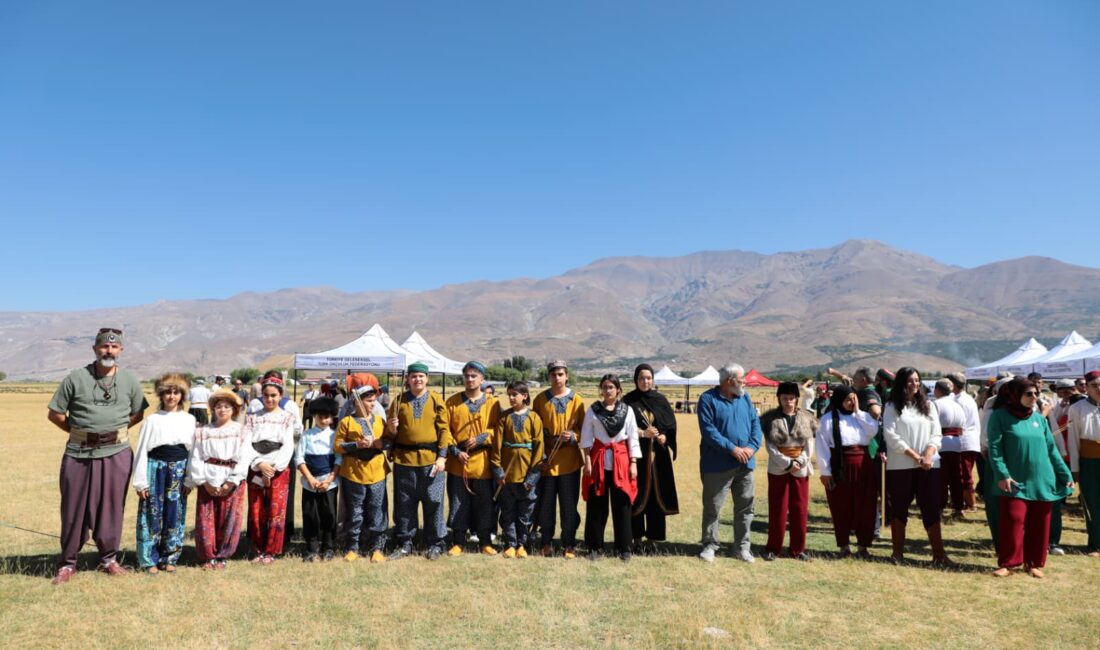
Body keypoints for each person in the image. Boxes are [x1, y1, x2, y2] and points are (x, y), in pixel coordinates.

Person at [46, 327, 149, 584]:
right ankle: (68, 563)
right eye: (104, 346)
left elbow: (138, 413)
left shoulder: (129, 381)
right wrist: (79, 432)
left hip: (116, 453)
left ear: (121, 351)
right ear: (95, 349)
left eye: (114, 347)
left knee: (111, 507)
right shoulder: (75, 378)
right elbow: (55, 414)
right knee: (73, 508)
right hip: (79, 453)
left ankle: (109, 559)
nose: (109, 350)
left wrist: (116, 432)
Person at [987, 378, 1073, 578]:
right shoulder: (999, 416)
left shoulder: (1040, 419)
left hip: (1042, 480)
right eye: (1029, 394)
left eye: (1036, 393)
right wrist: (1002, 474)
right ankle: (1008, 563)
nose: (1034, 397)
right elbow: (995, 450)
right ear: (1015, 395)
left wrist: (1065, 474)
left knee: (1040, 523)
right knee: (1013, 520)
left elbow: (1052, 451)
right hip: (1013, 480)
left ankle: (1034, 563)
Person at [131, 373, 197, 573]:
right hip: (155, 468)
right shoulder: (152, 420)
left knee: (174, 515)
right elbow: (142, 450)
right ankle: (149, 559)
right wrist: (140, 482)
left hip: (179, 468)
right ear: (161, 395)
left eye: (176, 392)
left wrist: (189, 479)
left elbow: (193, 451)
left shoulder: (189, 419)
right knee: (152, 513)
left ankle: (170, 557)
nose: (172, 396)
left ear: (182, 395)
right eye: (168, 392)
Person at [882, 368, 948, 565]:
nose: (915, 384)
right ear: (902, 383)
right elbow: (891, 436)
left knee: (931, 508)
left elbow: (936, 434)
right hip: (900, 466)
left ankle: (939, 554)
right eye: (910, 381)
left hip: (928, 465)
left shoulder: (929, 405)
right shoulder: (892, 406)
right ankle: (897, 553)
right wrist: (915, 456)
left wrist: (927, 455)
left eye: (917, 381)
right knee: (899, 508)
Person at [697, 364, 761, 563]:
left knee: (745, 508)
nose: (744, 382)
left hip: (745, 464)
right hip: (717, 465)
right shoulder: (707, 399)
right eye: (741, 378)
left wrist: (751, 447)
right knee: (713, 507)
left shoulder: (745, 398)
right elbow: (709, 431)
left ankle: (742, 547)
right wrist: (732, 449)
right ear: (729, 381)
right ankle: (710, 545)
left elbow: (755, 425)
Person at [387, 362, 451, 560]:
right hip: (405, 461)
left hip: (431, 460)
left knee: (434, 501)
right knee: (405, 503)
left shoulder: (436, 400)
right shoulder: (399, 401)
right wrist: (392, 427)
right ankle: (405, 543)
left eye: (421, 376)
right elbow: (391, 434)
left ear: (427, 378)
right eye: (413, 376)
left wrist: (442, 457)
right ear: (408, 379)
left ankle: (435, 543)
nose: (417, 380)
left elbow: (444, 430)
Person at [187, 389, 252, 570]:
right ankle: (208, 556)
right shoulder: (203, 431)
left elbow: (244, 457)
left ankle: (223, 555)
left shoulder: (241, 431)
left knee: (229, 517)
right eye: (218, 406)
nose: (222, 410)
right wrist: (204, 482)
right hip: (208, 476)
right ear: (213, 409)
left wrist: (231, 481)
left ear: (234, 410)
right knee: (206, 517)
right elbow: (196, 457)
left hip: (231, 477)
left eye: (226, 406)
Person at [581, 374, 641, 561]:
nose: (608, 391)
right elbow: (585, 438)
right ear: (601, 389)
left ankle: (624, 547)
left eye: (611, 387)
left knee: (622, 504)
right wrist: (588, 461)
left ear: (618, 390)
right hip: (599, 460)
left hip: (621, 460)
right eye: (605, 387)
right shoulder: (593, 410)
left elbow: (633, 437)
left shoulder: (627, 410)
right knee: (596, 504)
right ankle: (594, 547)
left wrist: (633, 463)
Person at [815, 385, 879, 559]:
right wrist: (825, 471)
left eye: (854, 398)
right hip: (840, 466)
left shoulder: (863, 417)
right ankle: (844, 545)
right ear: (839, 400)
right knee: (841, 505)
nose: (851, 402)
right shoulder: (827, 420)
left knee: (865, 505)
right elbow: (822, 447)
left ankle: (863, 545)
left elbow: (873, 431)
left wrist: (859, 411)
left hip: (864, 465)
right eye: (848, 399)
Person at [444, 361, 501, 556]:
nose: (470, 379)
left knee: (484, 503)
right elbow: (445, 430)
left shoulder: (493, 403)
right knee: (458, 502)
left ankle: (485, 541)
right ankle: (458, 541)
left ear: (482, 379)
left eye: (474, 376)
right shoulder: (452, 402)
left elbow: (498, 429)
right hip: (458, 461)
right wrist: (455, 451)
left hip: (483, 461)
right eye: (467, 376)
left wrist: (481, 438)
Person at [532, 360, 586, 558]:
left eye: (561, 374)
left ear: (567, 376)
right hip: (547, 462)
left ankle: (569, 543)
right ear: (548, 377)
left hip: (570, 462)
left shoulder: (577, 400)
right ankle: (545, 541)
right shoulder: (540, 400)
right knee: (546, 505)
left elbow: (584, 430)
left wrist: (573, 436)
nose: (557, 378)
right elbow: (534, 431)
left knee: (569, 506)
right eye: (553, 374)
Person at [622, 364, 679, 554]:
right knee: (636, 496)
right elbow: (622, 428)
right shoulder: (628, 401)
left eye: (648, 378)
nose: (645, 381)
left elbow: (670, 425)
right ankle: (636, 539)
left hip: (658, 459)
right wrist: (642, 433)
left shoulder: (660, 400)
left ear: (653, 380)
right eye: (641, 378)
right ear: (635, 380)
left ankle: (653, 540)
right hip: (636, 458)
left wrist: (665, 437)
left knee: (656, 497)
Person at [245, 375, 302, 564]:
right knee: (256, 508)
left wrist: (273, 468)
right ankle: (257, 548)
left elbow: (287, 445)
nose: (269, 399)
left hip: (279, 468)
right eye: (266, 395)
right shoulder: (253, 418)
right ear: (261, 396)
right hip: (256, 466)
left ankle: (271, 550)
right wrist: (259, 464)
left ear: (280, 395)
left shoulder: (287, 418)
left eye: (273, 395)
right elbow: (246, 444)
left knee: (276, 510)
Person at [760, 381, 816, 561]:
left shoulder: (806, 417)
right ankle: (773, 548)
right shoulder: (770, 419)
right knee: (778, 508)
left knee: (799, 509)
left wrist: (800, 461)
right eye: (785, 398)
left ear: (797, 399)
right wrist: (786, 463)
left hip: (800, 468)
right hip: (778, 468)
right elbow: (770, 446)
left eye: (792, 398)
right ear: (779, 398)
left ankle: (798, 549)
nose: (788, 402)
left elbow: (809, 445)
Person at [335, 385, 390, 563]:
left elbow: (389, 443)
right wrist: (356, 445)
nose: (373, 404)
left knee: (376, 510)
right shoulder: (346, 422)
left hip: (376, 471)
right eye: (368, 401)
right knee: (355, 511)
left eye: (374, 400)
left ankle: (377, 548)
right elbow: (337, 446)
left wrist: (382, 443)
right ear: (357, 402)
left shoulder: (380, 422)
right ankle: (353, 547)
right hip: (353, 471)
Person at [492, 381, 544, 558]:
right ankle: (510, 544)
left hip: (527, 476)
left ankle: (522, 544)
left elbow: (539, 449)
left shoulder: (534, 418)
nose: (511, 398)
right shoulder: (503, 417)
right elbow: (496, 447)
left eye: (515, 394)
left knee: (525, 513)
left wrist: (533, 477)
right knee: (508, 511)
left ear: (525, 396)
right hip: (507, 475)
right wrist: (498, 471)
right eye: (509, 394)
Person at [295, 396, 340, 562]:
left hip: (329, 482)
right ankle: (312, 546)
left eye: (327, 417)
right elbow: (299, 459)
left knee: (329, 514)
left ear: (332, 418)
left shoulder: (335, 436)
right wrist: (310, 479)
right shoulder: (306, 435)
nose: (323, 420)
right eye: (320, 416)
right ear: (314, 416)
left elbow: (338, 460)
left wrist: (329, 480)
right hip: (309, 483)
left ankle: (328, 546)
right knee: (310, 514)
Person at [1067, 371, 1100, 557]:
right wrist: (1075, 468)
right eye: (1094, 385)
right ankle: (1095, 544)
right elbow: (1073, 441)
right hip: (1089, 462)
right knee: (1093, 502)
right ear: (1086, 388)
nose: (1099, 389)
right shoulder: (1077, 408)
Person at [1046, 378, 1078, 556]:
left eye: (1068, 390)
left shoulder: (1078, 403)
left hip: (1067, 446)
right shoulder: (1055, 405)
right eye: (1061, 390)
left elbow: (1070, 426)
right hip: (1058, 447)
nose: (1064, 393)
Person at [933, 379, 968, 520]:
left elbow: (932, 424)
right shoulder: (957, 405)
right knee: (956, 478)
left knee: (942, 478)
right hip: (956, 444)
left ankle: (940, 507)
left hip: (941, 443)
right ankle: (958, 507)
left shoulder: (936, 404)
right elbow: (963, 426)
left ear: (937, 390)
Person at [947, 371, 982, 514]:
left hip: (964, 442)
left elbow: (958, 424)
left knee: (964, 476)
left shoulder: (959, 401)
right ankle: (965, 503)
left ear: (953, 384)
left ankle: (971, 504)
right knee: (963, 475)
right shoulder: (965, 399)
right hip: (968, 441)